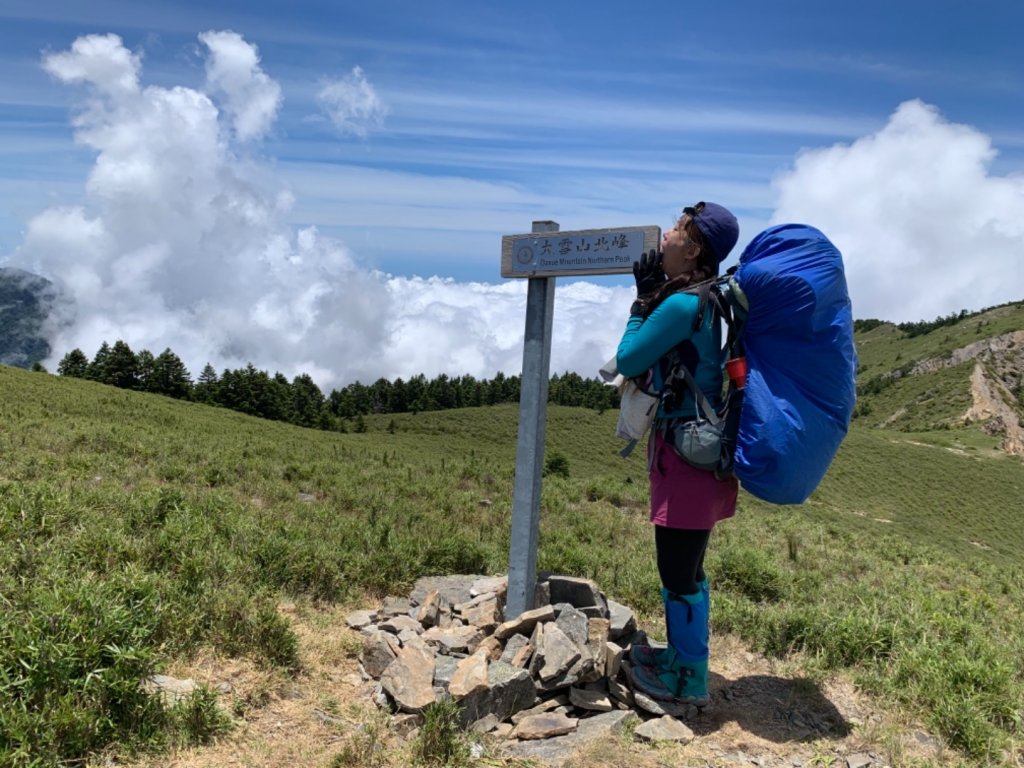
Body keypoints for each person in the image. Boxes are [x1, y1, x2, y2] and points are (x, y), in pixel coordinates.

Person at [614, 201, 740, 706]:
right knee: (689, 567)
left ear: (693, 251)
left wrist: (640, 305)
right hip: (703, 451)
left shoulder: (681, 304)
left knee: (677, 570)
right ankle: (680, 658)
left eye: (677, 229)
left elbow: (629, 358)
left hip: (686, 455)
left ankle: (689, 677)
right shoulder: (705, 298)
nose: (664, 234)